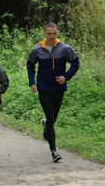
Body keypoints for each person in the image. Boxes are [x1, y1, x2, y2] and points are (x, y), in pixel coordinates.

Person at [27, 22, 80, 162]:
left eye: (54, 33)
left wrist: (66, 77)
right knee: (51, 118)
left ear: (57, 33)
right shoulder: (37, 50)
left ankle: (46, 125)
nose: (52, 36)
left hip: (58, 89)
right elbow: (30, 65)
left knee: (53, 119)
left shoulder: (64, 49)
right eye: (49, 33)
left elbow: (76, 63)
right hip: (44, 89)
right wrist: (32, 82)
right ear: (44, 33)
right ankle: (53, 151)